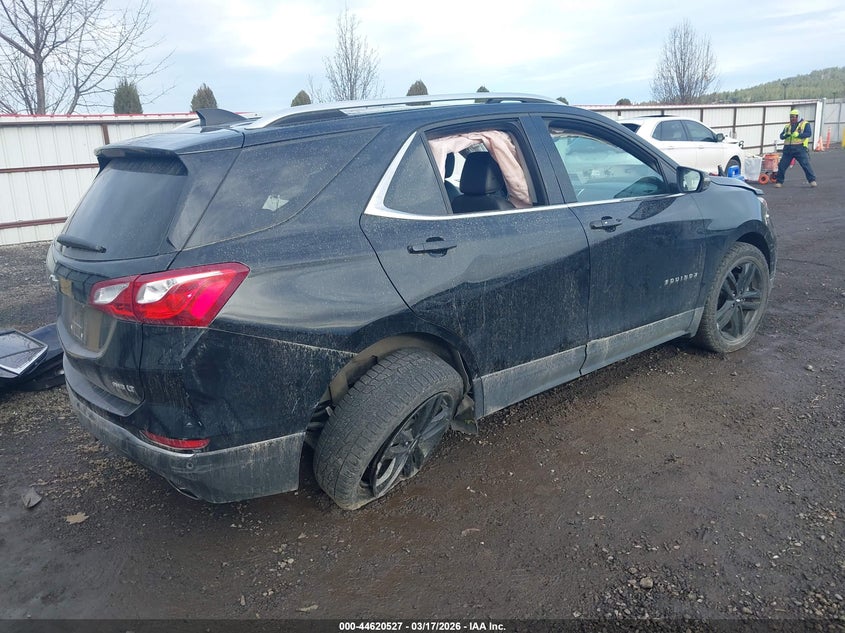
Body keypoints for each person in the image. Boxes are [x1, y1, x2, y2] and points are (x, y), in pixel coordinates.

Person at [775, 109, 817, 187]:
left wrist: (798, 135)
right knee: (782, 165)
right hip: (788, 149)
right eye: (791, 117)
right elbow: (781, 136)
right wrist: (785, 135)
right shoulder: (787, 126)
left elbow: (808, 134)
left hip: (799, 148)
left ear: (798, 117)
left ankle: (812, 180)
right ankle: (779, 182)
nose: (792, 118)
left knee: (805, 164)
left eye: (794, 117)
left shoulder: (805, 124)